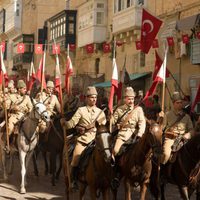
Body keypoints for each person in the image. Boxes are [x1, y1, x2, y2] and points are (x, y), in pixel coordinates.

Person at [60, 86, 107, 190]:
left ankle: (111, 178)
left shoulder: (101, 112)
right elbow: (71, 124)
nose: (94, 99)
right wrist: (65, 123)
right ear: (86, 98)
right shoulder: (81, 110)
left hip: (96, 141)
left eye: (95, 97)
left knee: (108, 156)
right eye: (91, 97)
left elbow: (103, 126)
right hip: (83, 140)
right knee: (75, 159)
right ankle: (73, 181)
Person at [161, 91, 194, 164]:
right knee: (166, 155)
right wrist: (160, 120)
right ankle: (162, 171)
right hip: (170, 138)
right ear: (173, 103)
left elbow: (192, 129)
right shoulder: (167, 114)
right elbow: (162, 129)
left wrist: (188, 134)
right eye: (177, 103)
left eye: (181, 102)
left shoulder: (186, 117)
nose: (179, 104)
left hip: (183, 139)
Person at [112, 87, 146, 157]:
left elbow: (142, 123)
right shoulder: (119, 109)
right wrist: (110, 116)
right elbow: (112, 122)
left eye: (132, 99)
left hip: (135, 135)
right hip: (122, 135)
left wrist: (140, 134)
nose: (131, 101)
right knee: (115, 151)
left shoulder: (138, 109)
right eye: (129, 99)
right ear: (125, 99)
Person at [5, 80, 33, 151]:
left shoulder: (27, 97)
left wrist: (27, 110)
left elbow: (31, 108)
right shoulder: (11, 96)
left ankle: (33, 144)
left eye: (25, 89)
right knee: (10, 127)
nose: (25, 90)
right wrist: (13, 107)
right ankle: (7, 143)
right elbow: (7, 107)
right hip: (14, 116)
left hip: (24, 116)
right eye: (24, 89)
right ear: (19, 89)